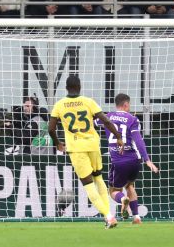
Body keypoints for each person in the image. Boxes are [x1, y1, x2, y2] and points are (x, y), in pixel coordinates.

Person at [48, 75, 124, 229]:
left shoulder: (60, 105)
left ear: (66, 88)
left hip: (76, 148)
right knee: (99, 179)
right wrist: (118, 137)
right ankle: (108, 216)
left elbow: (51, 128)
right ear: (80, 86)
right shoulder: (88, 102)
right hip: (93, 144)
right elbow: (106, 121)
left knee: (88, 185)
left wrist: (57, 143)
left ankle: (109, 216)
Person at [95, 93, 159, 224]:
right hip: (135, 161)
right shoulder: (133, 119)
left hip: (119, 161)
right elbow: (138, 139)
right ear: (125, 104)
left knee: (113, 191)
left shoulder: (107, 117)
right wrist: (147, 159)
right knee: (130, 185)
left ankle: (123, 199)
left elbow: (92, 122)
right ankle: (136, 217)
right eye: (129, 104)